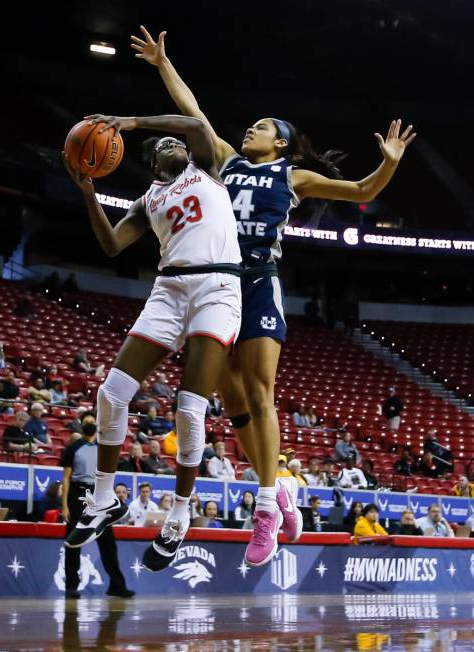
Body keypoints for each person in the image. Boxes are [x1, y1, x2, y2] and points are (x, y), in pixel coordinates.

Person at [133, 25, 416, 566]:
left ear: (279, 143)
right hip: (217, 284)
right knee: (232, 400)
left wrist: (391, 162)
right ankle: (280, 485)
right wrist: (163, 65)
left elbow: (360, 192)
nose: (250, 130)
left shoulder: (295, 176)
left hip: (259, 279)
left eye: (262, 127)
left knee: (260, 393)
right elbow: (195, 114)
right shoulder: (224, 160)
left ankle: (265, 506)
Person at [63, 111, 242, 575]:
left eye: (174, 142)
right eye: (165, 145)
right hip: (168, 290)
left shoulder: (205, 168)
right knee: (111, 393)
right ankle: (104, 498)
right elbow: (111, 246)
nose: (174, 144)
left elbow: (201, 127)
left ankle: (180, 516)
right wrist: (88, 194)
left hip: (217, 288)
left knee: (188, 407)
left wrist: (133, 121)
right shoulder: (147, 200)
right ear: (153, 162)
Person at [61, 422, 134, 598]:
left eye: (92, 421)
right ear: (81, 427)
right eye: (85, 421)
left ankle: (117, 585)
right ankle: (71, 586)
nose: (89, 424)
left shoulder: (103, 448)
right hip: (77, 494)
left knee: (108, 542)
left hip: (99, 494)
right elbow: (66, 478)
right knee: (73, 540)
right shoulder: (73, 448)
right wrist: (64, 505)